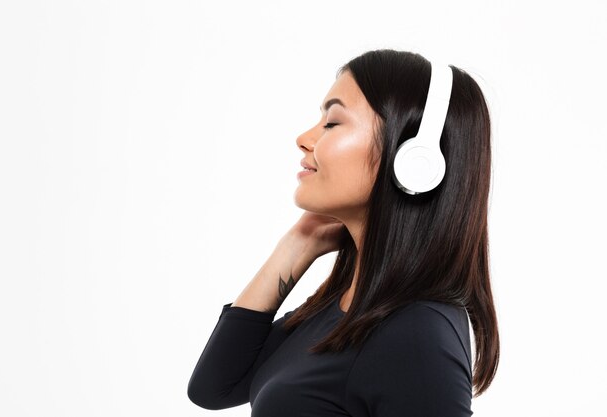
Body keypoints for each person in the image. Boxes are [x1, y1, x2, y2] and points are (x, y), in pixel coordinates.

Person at [188, 49, 499, 416]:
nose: (304, 138)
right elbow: (214, 387)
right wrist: (296, 246)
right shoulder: (343, 308)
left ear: (414, 159)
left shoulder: (417, 333)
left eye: (332, 123)